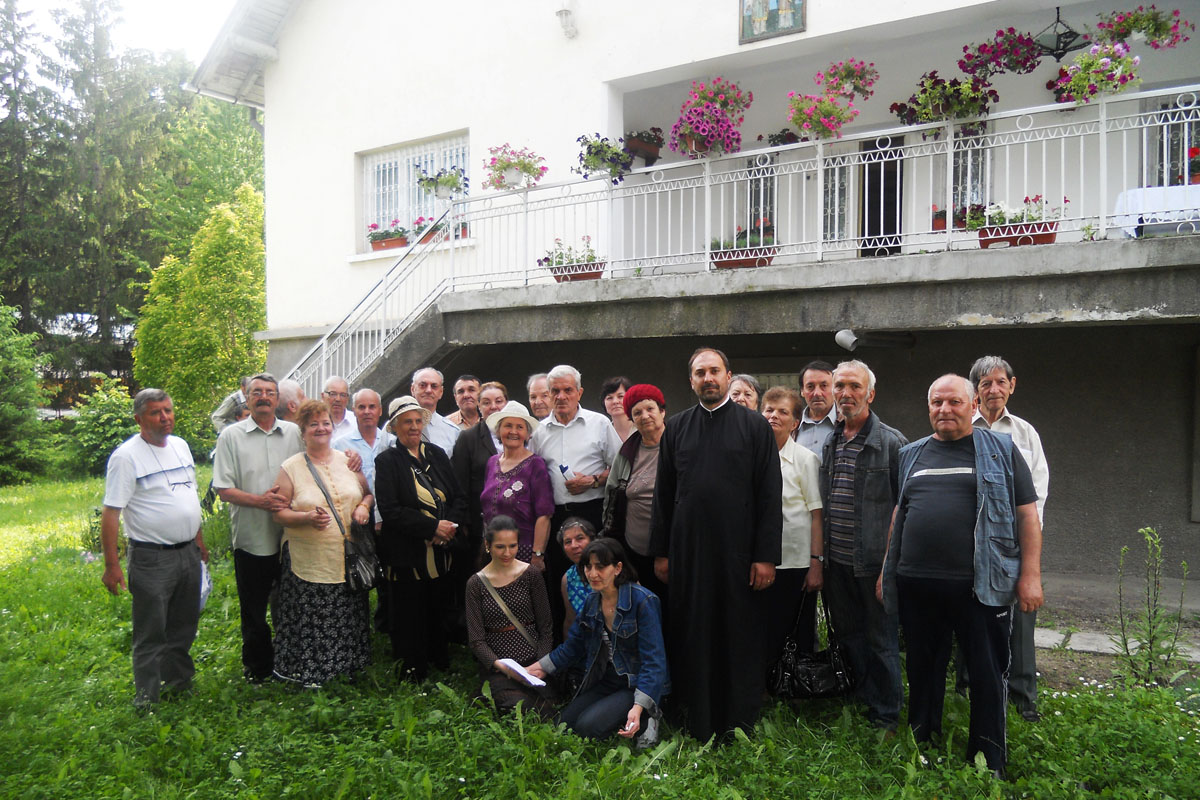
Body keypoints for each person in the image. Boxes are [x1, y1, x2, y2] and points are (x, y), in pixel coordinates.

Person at [881, 374, 1043, 778]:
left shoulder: (1003, 450)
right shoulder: (911, 454)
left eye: (954, 402)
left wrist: (1030, 575)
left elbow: (1027, 514)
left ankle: (988, 759)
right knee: (923, 669)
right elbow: (900, 513)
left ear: (972, 406)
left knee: (988, 672)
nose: (944, 410)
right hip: (918, 585)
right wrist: (888, 569)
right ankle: (923, 742)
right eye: (937, 402)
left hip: (980, 586)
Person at [649, 347, 782, 740]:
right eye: (699, 372)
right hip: (688, 553)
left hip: (738, 554)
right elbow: (664, 493)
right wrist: (662, 552)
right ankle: (696, 715)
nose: (708, 378)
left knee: (737, 632)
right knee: (694, 632)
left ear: (728, 376)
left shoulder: (755, 427)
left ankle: (737, 718)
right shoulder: (676, 427)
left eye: (714, 371)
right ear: (691, 380)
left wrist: (765, 557)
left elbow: (768, 495)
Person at [101, 389, 207, 707]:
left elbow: (189, 498)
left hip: (188, 552)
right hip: (152, 558)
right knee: (151, 631)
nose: (165, 417)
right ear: (139, 419)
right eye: (155, 412)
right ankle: (147, 697)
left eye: (168, 410)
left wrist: (199, 543)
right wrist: (111, 566)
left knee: (184, 624)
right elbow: (111, 513)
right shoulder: (125, 457)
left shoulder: (181, 446)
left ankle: (179, 682)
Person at [818, 360, 907, 730]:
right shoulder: (832, 439)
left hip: (873, 563)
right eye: (840, 386)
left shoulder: (891, 443)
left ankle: (886, 714)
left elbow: (903, 510)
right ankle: (861, 695)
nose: (845, 394)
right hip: (836, 562)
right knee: (849, 635)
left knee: (881, 640)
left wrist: (889, 567)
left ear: (870, 393)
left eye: (854, 386)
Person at [968, 355, 1050, 722]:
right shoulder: (962, 426)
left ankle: (1022, 696)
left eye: (1000, 382)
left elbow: (1038, 495)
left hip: (1013, 542)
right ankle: (966, 687)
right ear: (976, 389)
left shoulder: (1024, 433)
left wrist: (1028, 550)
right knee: (970, 614)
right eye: (986, 383)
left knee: (1019, 620)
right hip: (970, 540)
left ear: (1011, 385)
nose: (994, 389)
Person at [527, 539, 668, 748]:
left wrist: (638, 707)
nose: (592, 574)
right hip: (607, 679)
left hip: (635, 684)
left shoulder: (643, 601)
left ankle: (649, 715)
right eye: (588, 567)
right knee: (563, 725)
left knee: (587, 728)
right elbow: (573, 645)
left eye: (600, 567)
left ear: (618, 568)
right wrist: (538, 668)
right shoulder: (592, 601)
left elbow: (654, 663)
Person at [271, 399, 373, 686]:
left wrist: (364, 507)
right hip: (308, 559)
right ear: (302, 430)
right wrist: (305, 518)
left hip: (346, 557)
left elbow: (366, 494)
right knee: (311, 617)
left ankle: (348, 669)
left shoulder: (348, 460)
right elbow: (278, 513)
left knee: (347, 614)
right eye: (313, 424)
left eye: (325, 422)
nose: (321, 428)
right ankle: (309, 673)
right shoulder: (290, 468)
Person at [213, 373, 303, 682]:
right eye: (257, 392)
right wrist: (259, 501)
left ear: (277, 399)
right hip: (252, 538)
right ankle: (259, 669)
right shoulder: (231, 436)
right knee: (253, 610)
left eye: (269, 392)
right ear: (247, 399)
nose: (263, 397)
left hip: (292, 537)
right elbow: (223, 489)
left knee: (292, 605)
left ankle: (291, 661)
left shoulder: (294, 432)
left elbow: (318, 457)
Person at [374, 395, 468, 681]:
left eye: (417, 421)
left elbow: (459, 496)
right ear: (395, 427)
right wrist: (430, 528)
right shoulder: (387, 460)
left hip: (441, 548)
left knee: (437, 604)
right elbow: (390, 509)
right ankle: (413, 667)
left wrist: (448, 526)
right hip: (407, 551)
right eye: (407, 422)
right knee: (409, 610)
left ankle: (439, 657)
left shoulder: (437, 454)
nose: (414, 427)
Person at [529, 364, 622, 640]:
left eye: (567, 390)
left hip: (592, 513)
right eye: (554, 391)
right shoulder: (539, 432)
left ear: (579, 392)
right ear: (547, 394)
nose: (561, 396)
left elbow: (619, 470)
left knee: (599, 578)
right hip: (556, 517)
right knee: (561, 583)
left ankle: (606, 645)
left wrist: (592, 480)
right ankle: (563, 652)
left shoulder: (599, 423)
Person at [465, 515, 555, 717]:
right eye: (500, 547)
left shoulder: (531, 574)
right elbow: (477, 640)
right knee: (520, 707)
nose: (507, 553)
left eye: (512, 546)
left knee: (546, 705)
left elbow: (546, 626)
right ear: (488, 545)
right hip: (499, 665)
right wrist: (501, 666)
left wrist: (541, 664)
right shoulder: (476, 584)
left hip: (533, 662)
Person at [760, 386, 824, 660]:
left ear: (795, 422)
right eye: (769, 410)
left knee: (798, 627)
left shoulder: (806, 460)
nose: (774, 416)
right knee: (765, 627)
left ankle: (800, 688)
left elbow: (816, 514)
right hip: (761, 560)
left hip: (796, 561)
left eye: (782, 412)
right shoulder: (752, 459)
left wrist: (815, 563)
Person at [601, 383, 669, 612]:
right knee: (643, 610)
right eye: (637, 412)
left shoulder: (679, 447)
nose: (645, 416)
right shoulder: (627, 452)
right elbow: (611, 496)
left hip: (675, 551)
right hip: (634, 551)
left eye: (650, 409)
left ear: (662, 412)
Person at [333, 387, 395, 634]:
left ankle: (386, 625)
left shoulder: (390, 441)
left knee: (388, 574)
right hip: (357, 519)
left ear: (380, 411)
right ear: (354, 411)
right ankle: (357, 629)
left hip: (388, 519)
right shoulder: (340, 445)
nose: (367, 412)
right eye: (361, 407)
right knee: (358, 573)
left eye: (372, 407)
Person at [450, 381, 509, 603]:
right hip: (480, 525)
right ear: (479, 406)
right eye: (486, 402)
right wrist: (465, 524)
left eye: (498, 401)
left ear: (507, 403)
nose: (493, 406)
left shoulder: (518, 432)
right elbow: (460, 484)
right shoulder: (468, 438)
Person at [480, 402, 555, 567]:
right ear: (499, 431)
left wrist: (537, 554)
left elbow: (544, 515)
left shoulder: (536, 465)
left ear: (528, 434)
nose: (513, 431)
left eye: (520, 427)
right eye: (508, 426)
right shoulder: (492, 462)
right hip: (493, 550)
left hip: (523, 552)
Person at [557, 516, 596, 641]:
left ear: (592, 540)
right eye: (568, 542)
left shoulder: (613, 569)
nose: (574, 546)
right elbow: (570, 620)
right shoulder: (568, 579)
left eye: (580, 538)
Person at [411, 367, 461, 456]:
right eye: (423, 385)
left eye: (434, 386)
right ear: (413, 389)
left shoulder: (453, 432)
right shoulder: (395, 426)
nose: (428, 390)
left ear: (441, 392)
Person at [796, 360, 837, 454]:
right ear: (802, 391)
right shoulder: (792, 425)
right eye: (810, 386)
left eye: (824, 386)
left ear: (835, 388)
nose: (817, 393)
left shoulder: (848, 423)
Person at [599, 376, 634, 441]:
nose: (615, 401)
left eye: (620, 396)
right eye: (609, 398)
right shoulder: (601, 434)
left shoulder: (643, 430)